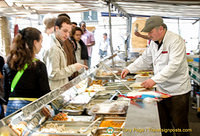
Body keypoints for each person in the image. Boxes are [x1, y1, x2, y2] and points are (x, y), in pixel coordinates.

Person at [121, 16, 191, 136]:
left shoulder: (175, 40)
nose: (149, 34)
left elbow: (174, 65)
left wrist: (154, 80)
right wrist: (129, 68)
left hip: (178, 91)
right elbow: (145, 59)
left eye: (151, 31)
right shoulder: (154, 43)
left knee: (179, 125)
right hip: (161, 89)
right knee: (163, 125)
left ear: (161, 29)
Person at [3, 27, 51, 116]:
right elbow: (45, 93)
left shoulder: (8, 64)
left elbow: (5, 92)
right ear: (35, 43)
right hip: (31, 109)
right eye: (41, 42)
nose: (41, 45)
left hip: (12, 108)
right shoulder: (39, 65)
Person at [43, 16, 88, 90]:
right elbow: (53, 74)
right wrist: (73, 68)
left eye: (69, 32)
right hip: (55, 90)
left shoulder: (58, 43)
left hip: (60, 88)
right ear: (56, 28)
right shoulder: (53, 48)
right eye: (65, 31)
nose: (67, 35)